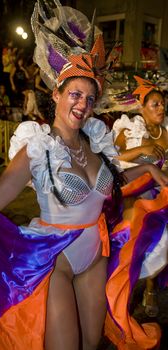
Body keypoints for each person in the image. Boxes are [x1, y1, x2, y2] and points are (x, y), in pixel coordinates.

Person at [0, 2, 168, 350]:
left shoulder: (97, 141)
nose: (82, 104)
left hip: (94, 254)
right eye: (75, 94)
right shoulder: (38, 147)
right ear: (57, 94)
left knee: (90, 344)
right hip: (54, 258)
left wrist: (148, 168)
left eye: (90, 98)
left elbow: (113, 181)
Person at [113, 75, 168, 317]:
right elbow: (113, 159)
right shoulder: (129, 129)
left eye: (163, 103)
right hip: (133, 193)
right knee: (139, 237)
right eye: (154, 104)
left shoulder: (167, 131)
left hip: (162, 192)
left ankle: (150, 287)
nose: (161, 108)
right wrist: (142, 149)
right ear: (141, 108)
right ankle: (124, 289)